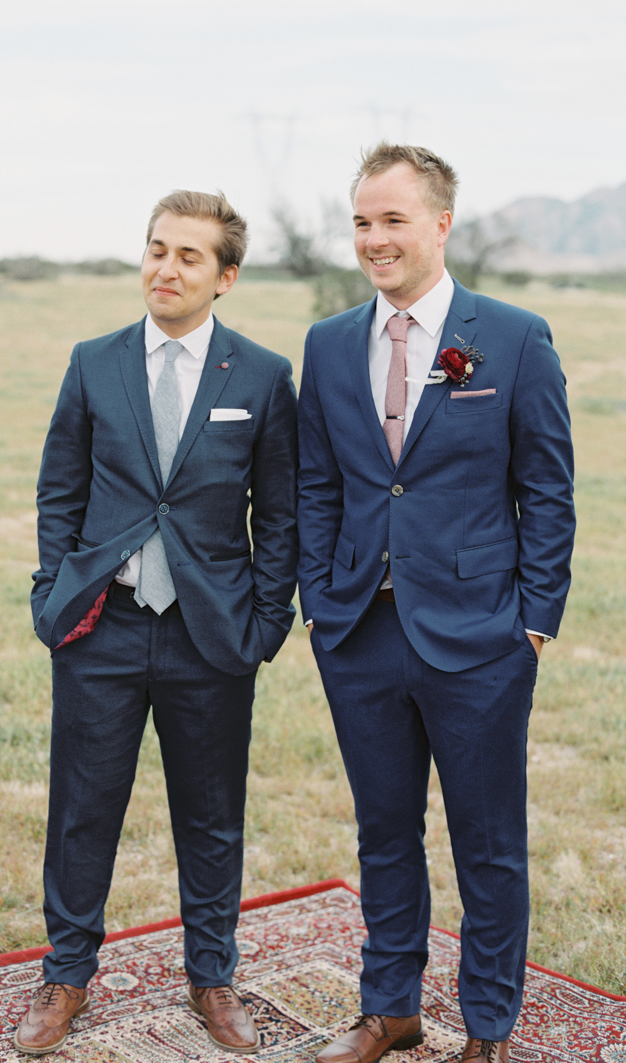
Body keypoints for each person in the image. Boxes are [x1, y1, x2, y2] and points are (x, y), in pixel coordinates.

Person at [297, 144, 574, 1063]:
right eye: (363, 222)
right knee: (384, 831)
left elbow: (548, 490)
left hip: (482, 640)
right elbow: (318, 485)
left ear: (441, 223)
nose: (375, 240)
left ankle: (488, 1028)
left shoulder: (514, 337)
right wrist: (319, 604)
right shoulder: (330, 344)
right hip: (359, 631)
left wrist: (533, 622)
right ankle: (391, 1009)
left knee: (487, 845)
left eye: (394, 220)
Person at [15, 190, 298, 1055]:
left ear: (225, 277)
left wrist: (264, 623)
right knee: (82, 809)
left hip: (210, 635)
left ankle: (212, 976)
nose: (165, 269)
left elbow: (280, 514)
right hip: (101, 624)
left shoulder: (260, 376)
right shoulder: (94, 362)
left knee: (211, 815)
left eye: (187, 257)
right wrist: (51, 593)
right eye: (156, 249)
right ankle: (66, 975)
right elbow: (60, 489)